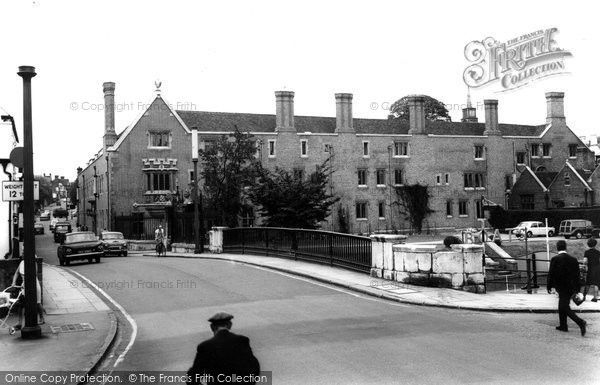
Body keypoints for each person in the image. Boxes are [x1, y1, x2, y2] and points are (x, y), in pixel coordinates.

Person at [187, 312, 260, 385]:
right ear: (230, 325)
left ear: (212, 327)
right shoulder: (242, 340)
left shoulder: (205, 346)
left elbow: (193, 376)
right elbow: (254, 367)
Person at [547, 240, 586, 336]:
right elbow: (577, 275)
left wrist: (549, 286)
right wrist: (576, 289)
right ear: (565, 247)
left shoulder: (555, 259)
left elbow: (551, 274)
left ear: (557, 247)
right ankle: (563, 325)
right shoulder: (573, 259)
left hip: (561, 287)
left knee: (564, 306)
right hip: (571, 287)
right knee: (562, 306)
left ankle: (580, 322)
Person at [11, 257, 46, 330]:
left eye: (24, 252)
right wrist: (13, 282)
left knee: (37, 303)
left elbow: (34, 274)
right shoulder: (21, 262)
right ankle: (19, 323)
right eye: (23, 252)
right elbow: (16, 273)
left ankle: (42, 317)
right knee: (20, 304)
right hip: (24, 286)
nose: (23, 254)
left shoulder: (33, 263)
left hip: (33, 284)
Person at [584, 237, 600, 302]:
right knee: (596, 283)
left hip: (590, 268)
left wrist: (585, 265)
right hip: (597, 268)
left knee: (588, 283)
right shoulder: (598, 252)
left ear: (588, 244)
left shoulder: (587, 252)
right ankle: (595, 297)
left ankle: (584, 296)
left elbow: (585, 261)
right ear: (595, 244)